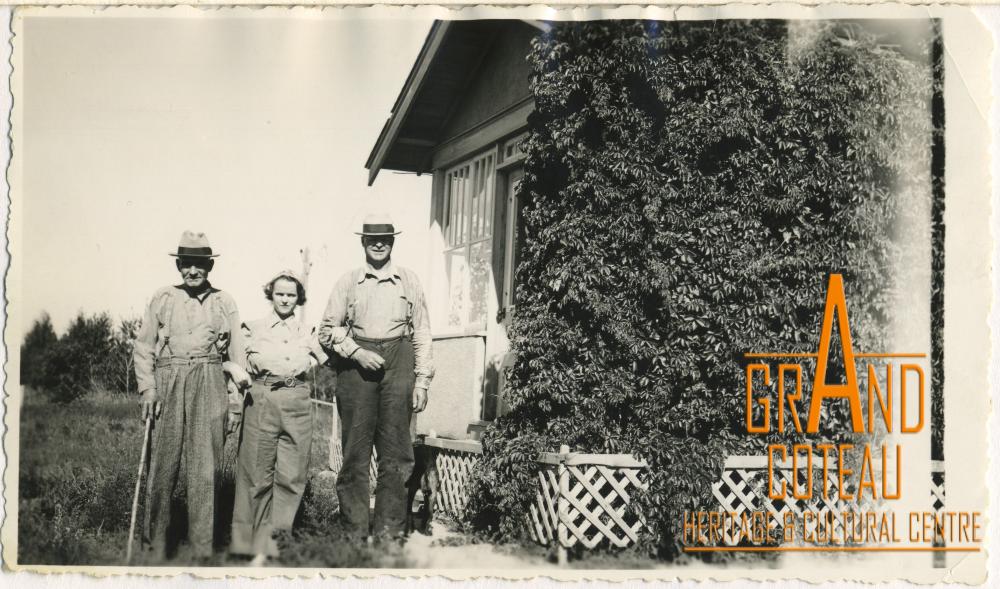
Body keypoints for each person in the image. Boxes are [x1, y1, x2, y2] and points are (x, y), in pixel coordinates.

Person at [134, 230, 251, 562]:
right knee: (162, 468)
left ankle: (201, 552)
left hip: (209, 378)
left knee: (204, 470)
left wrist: (233, 403)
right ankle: (154, 547)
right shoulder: (163, 297)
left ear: (209, 265)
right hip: (168, 378)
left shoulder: (224, 301)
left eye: (199, 264)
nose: (192, 271)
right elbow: (143, 348)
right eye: (187, 264)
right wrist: (148, 389)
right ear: (179, 265)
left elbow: (238, 360)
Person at [319, 213, 433, 539]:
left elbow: (423, 332)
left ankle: (389, 535)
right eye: (372, 239)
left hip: (400, 363)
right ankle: (354, 534)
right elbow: (326, 330)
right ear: (363, 243)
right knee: (355, 454)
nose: (378, 244)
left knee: (396, 454)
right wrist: (355, 351)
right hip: (357, 367)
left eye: (384, 239)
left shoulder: (409, 281)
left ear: (393, 242)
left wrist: (422, 380)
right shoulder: (348, 282)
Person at [230, 270, 325, 566]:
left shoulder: (308, 332)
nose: (285, 299)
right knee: (255, 474)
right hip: (261, 397)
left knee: (291, 476)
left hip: (297, 399)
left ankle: (274, 545)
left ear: (299, 299)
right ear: (271, 294)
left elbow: (329, 359)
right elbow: (230, 359)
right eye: (280, 293)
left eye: (291, 294)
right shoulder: (251, 328)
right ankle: (248, 546)